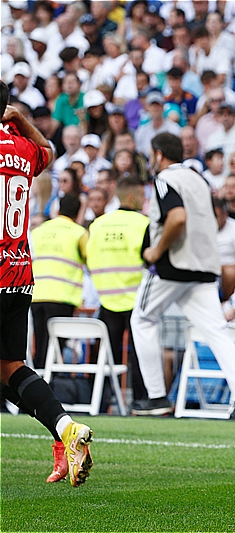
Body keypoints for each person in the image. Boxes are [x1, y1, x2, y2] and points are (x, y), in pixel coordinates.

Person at [0, 83, 93, 487]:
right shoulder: (21, 146)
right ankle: (65, 429)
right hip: (18, 273)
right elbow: (50, 154)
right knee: (9, 367)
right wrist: (21, 120)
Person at [129, 133, 235, 420]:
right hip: (204, 265)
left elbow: (177, 217)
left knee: (142, 319)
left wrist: (156, 250)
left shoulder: (164, 179)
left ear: (159, 155)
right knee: (216, 330)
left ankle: (156, 396)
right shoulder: (199, 178)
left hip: (173, 264)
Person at [85, 177, 149, 408]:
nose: (145, 200)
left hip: (107, 298)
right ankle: (142, 403)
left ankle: (100, 403)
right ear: (131, 197)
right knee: (139, 357)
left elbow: (89, 258)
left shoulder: (97, 225)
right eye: (142, 196)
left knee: (105, 358)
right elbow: (149, 258)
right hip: (136, 300)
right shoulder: (143, 223)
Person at [30, 194, 88, 370]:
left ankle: (36, 388)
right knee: (55, 349)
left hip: (36, 295)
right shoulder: (79, 232)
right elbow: (89, 259)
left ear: (57, 209)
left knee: (40, 347)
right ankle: (47, 389)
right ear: (78, 212)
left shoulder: (38, 230)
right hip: (62, 297)